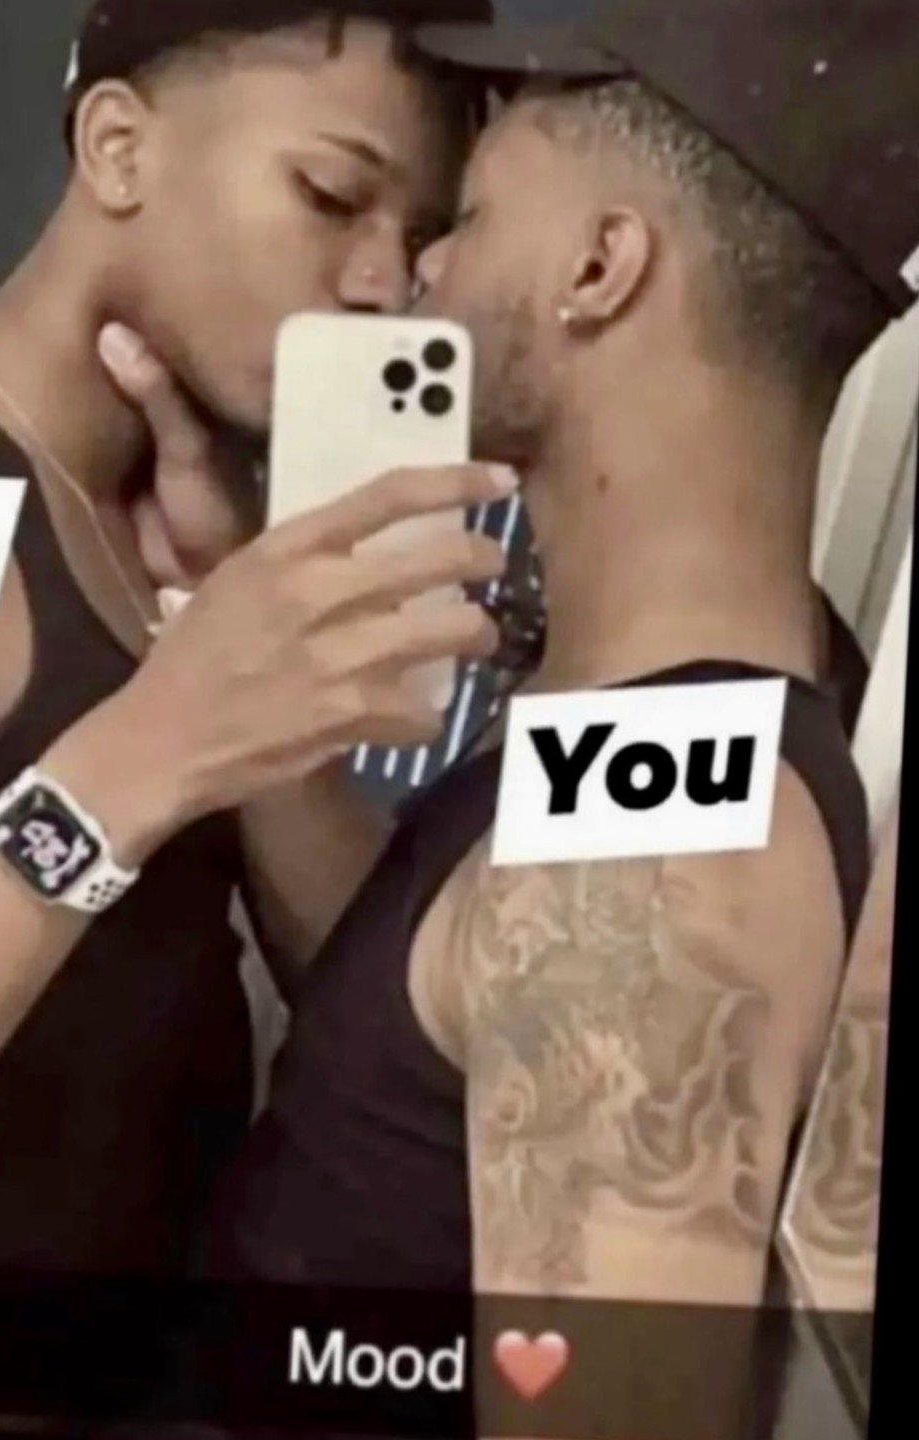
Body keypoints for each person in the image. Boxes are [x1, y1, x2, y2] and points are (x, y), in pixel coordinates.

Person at [204, 0, 916, 1431]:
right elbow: (424, 1032)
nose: (423, 266)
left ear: (600, 267)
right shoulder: (621, 727)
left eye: (467, 218)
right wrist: (246, 686)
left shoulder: (663, 844)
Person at [0, 1, 510, 1435]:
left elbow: (358, 1002)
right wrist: (143, 753)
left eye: (414, 236)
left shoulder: (167, 531)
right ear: (119, 148)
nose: (380, 281)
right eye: (329, 194)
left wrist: (227, 651)